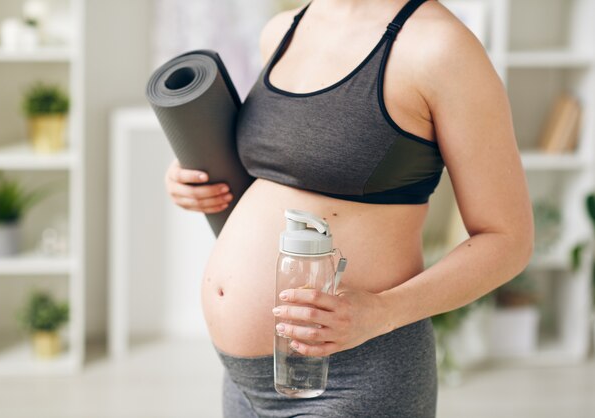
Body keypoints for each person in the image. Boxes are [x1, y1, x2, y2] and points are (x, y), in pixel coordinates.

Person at [164, 0, 534, 416]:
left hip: (352, 378)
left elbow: (508, 239)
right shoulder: (284, 30)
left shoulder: (439, 47)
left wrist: (382, 312)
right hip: (244, 383)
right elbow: (286, 174)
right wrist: (194, 180)